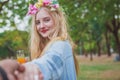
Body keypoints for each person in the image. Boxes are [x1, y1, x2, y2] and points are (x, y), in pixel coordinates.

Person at [17, 0, 79, 80]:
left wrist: (25, 70)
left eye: (46, 20)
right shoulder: (51, 45)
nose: (41, 26)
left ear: (57, 20)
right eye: (38, 22)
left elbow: (49, 64)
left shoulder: (60, 44)